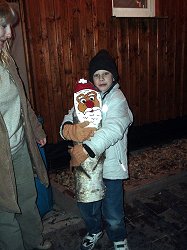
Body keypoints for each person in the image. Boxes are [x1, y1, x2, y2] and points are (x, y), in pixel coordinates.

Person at [61, 49, 133, 250]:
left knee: (113, 209)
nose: (101, 78)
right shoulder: (86, 96)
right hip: (89, 167)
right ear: (92, 78)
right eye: (96, 75)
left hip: (110, 165)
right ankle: (94, 229)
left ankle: (118, 237)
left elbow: (113, 129)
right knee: (88, 205)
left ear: (113, 76)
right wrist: (67, 128)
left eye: (105, 74)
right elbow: (71, 114)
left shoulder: (117, 99)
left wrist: (86, 148)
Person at [0, 1, 51, 249]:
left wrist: (36, 129)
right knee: (5, 212)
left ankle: (34, 242)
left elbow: (22, 100)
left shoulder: (5, 60)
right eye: (3, 27)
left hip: (18, 147)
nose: (10, 33)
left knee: (27, 198)